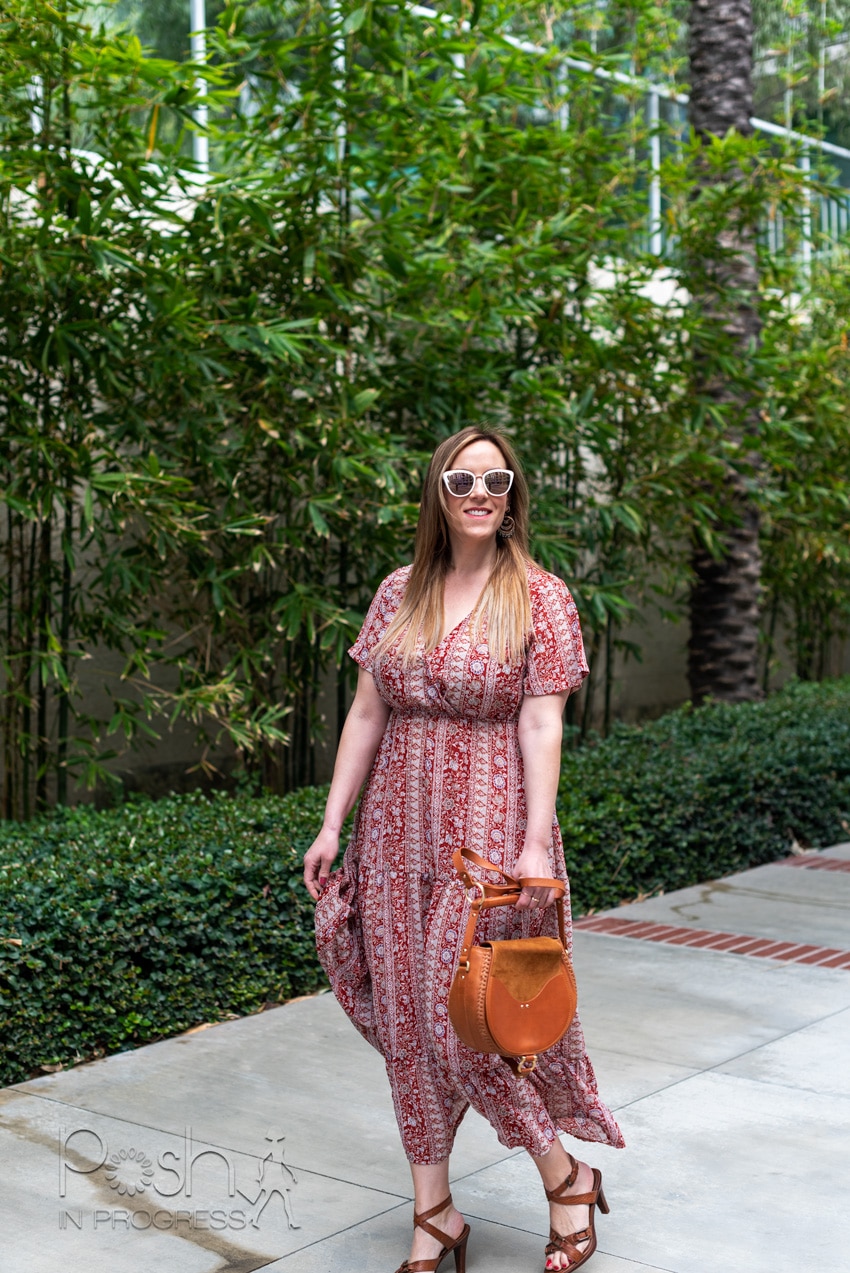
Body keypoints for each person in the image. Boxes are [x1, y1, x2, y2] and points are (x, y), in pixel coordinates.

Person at [303, 427, 624, 1273]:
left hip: (488, 839)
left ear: (514, 493)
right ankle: (433, 1212)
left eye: (497, 478)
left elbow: (541, 720)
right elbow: (368, 712)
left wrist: (533, 843)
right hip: (394, 830)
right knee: (411, 1022)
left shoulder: (542, 596)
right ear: (438, 492)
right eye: (462, 477)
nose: (480, 491)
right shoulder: (397, 592)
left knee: (470, 1029)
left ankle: (566, 1176)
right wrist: (334, 821)